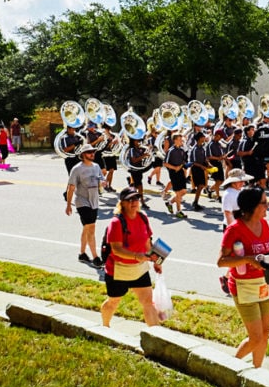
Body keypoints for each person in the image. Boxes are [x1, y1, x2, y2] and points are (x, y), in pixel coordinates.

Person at [217, 186, 269, 368]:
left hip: (265, 284)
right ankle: (231, 366)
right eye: (264, 203)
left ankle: (258, 371)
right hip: (244, 287)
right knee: (256, 337)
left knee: (265, 333)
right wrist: (248, 260)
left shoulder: (264, 224)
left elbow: (268, 251)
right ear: (252, 207)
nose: (268, 206)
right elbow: (221, 261)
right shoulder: (235, 230)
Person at [100, 187, 161, 327]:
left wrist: (157, 261)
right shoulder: (116, 223)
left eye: (136, 199)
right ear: (122, 203)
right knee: (114, 301)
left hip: (139, 269)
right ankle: (104, 327)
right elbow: (116, 249)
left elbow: (148, 242)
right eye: (130, 199)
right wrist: (136, 256)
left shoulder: (143, 218)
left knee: (148, 302)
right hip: (118, 270)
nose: (134, 202)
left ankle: (156, 334)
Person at [66, 143, 104, 266]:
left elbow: (101, 180)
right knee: (91, 228)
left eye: (93, 152)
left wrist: (103, 184)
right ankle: (95, 257)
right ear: (83, 155)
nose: (92, 154)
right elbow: (71, 187)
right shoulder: (77, 169)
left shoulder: (97, 166)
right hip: (82, 202)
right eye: (89, 152)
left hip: (94, 201)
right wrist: (68, 205)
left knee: (87, 228)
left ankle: (82, 254)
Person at [219, 168, 254, 294]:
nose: (243, 183)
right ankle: (229, 278)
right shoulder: (229, 194)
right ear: (233, 182)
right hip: (233, 228)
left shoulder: (240, 192)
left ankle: (229, 277)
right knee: (235, 256)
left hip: (242, 226)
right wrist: (232, 230)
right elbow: (228, 213)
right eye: (240, 181)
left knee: (241, 255)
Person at [163, 132, 189, 218]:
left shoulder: (182, 150)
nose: (181, 140)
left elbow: (184, 161)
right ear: (174, 140)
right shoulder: (171, 151)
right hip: (173, 173)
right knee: (178, 193)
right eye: (179, 139)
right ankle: (179, 211)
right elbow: (165, 163)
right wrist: (174, 168)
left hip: (181, 172)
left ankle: (169, 203)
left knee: (184, 191)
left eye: (181, 139)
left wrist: (183, 165)